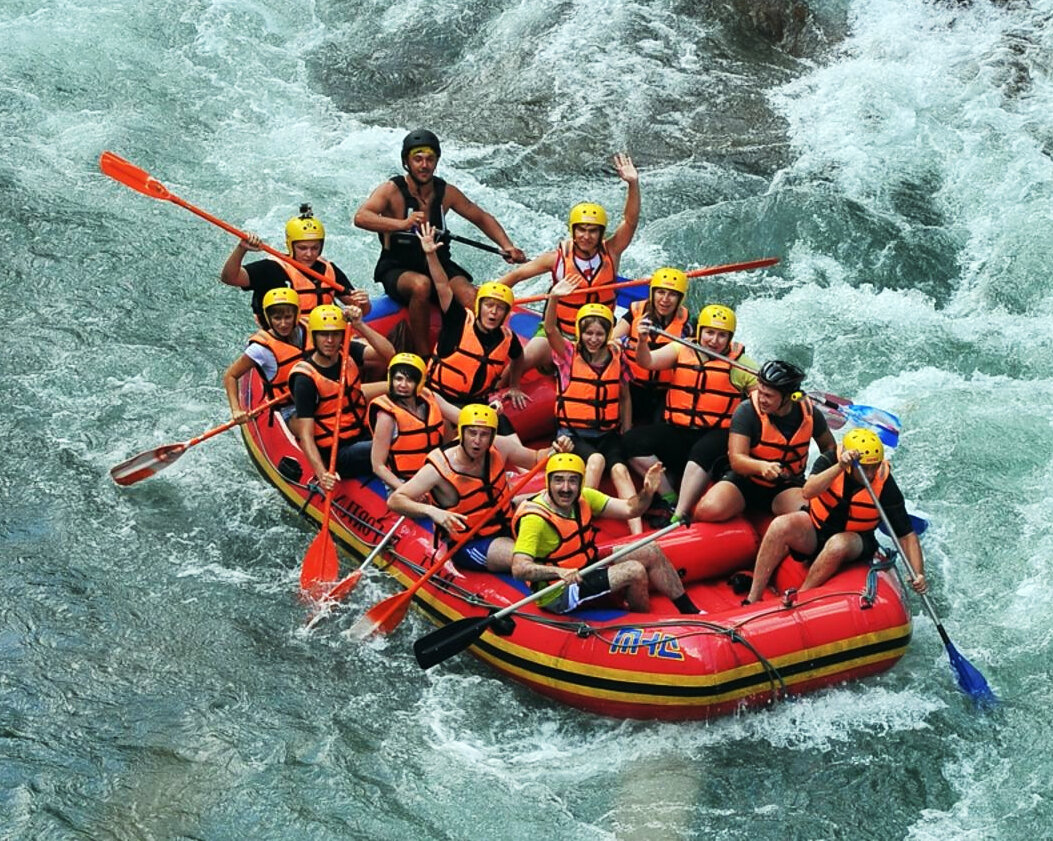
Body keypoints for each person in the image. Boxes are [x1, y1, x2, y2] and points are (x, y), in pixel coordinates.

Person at [353, 129, 526, 357]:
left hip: (439, 264)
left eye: (430, 159)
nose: (424, 165)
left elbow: (481, 217)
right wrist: (402, 224)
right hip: (398, 267)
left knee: (470, 296)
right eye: (418, 159)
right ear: (407, 162)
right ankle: (423, 358)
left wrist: (507, 246)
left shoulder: (446, 193)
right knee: (421, 285)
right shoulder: (391, 190)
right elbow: (361, 217)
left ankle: (472, 355)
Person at [741, 428, 928, 604]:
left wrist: (918, 573)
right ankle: (753, 598)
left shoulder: (885, 484)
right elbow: (808, 491)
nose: (870, 474)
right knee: (780, 525)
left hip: (856, 540)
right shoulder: (830, 460)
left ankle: (802, 598)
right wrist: (840, 466)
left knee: (838, 544)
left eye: (874, 466)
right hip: (818, 528)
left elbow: (906, 535)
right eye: (865, 467)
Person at [496, 153, 639, 371]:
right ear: (573, 230)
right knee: (526, 357)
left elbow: (630, 221)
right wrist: (492, 300)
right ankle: (500, 390)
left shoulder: (612, 251)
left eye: (593, 231)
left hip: (597, 335)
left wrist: (633, 184)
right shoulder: (556, 259)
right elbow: (515, 276)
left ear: (601, 233)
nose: (586, 236)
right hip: (558, 331)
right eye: (581, 229)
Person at [387, 404, 571, 573]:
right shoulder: (439, 468)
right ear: (462, 433)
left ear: (492, 436)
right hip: (471, 542)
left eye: (484, 435)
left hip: (506, 516)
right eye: (472, 433)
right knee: (528, 558)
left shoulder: (499, 446)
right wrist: (431, 511)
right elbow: (396, 499)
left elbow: (537, 459)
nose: (477, 441)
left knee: (556, 505)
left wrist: (556, 449)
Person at [511, 453, 701, 615]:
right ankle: (642, 623)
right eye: (559, 480)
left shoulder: (585, 497)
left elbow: (630, 509)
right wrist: (559, 572)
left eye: (573, 480)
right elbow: (519, 569)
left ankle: (692, 612)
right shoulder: (535, 519)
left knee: (649, 549)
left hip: (587, 566)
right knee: (634, 570)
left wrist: (647, 492)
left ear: (580, 482)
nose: (566, 488)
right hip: (559, 590)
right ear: (548, 482)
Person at [622, 303, 757, 522]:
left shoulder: (740, 364)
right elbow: (647, 362)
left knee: (701, 452)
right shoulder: (680, 349)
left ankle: (680, 513)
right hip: (680, 429)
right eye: (709, 333)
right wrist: (643, 340)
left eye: (722, 335)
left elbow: (763, 399)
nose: (714, 341)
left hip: (716, 434)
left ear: (730, 337)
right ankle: (669, 496)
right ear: (699, 331)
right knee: (631, 442)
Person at [543, 279, 642, 533]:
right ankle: (579, 523)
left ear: (608, 333)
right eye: (588, 333)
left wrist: (627, 430)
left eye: (599, 334)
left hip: (607, 432)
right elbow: (551, 328)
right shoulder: (567, 355)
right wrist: (554, 298)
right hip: (572, 434)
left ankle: (638, 533)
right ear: (579, 332)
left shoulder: (617, 357)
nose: (593, 339)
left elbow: (625, 397)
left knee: (620, 470)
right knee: (596, 461)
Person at [694, 360, 836, 523]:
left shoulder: (811, 414)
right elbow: (736, 460)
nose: (761, 399)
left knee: (814, 515)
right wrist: (761, 467)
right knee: (708, 509)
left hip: (785, 486)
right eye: (760, 392)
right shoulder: (746, 411)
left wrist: (816, 475)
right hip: (745, 482)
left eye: (768, 395)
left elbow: (830, 448)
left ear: (789, 397)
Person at [422, 219, 526, 435]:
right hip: (437, 396)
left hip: (474, 404)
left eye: (500, 308)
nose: (493, 312)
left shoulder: (508, 339)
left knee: (504, 429)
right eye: (489, 306)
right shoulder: (458, 319)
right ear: (479, 307)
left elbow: (518, 357)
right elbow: (442, 286)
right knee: (454, 428)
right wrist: (431, 254)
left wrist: (514, 385)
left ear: (506, 314)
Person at [288, 304, 395, 491]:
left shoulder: (347, 351)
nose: (330, 340)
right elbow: (306, 435)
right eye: (323, 335)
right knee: (398, 443)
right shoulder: (304, 379)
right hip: (338, 452)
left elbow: (389, 354)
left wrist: (360, 325)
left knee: (413, 430)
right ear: (314, 336)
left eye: (336, 334)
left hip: (362, 431)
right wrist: (322, 474)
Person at [220, 204, 370, 326]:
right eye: (302, 248)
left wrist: (363, 302)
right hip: (284, 337)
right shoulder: (271, 268)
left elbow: (362, 309)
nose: (309, 254)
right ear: (290, 245)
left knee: (374, 355)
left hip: (324, 337)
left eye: (315, 248)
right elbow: (229, 278)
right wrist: (242, 249)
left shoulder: (328, 269)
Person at [611, 266, 694, 425]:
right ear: (652, 293)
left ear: (680, 298)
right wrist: (625, 342)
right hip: (632, 387)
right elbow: (612, 338)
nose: (665, 299)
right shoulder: (635, 312)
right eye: (661, 292)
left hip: (665, 391)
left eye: (672, 294)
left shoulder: (687, 325)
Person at [367, 352, 454, 491]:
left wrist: (489, 413)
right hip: (404, 481)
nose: (403, 385)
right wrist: (407, 491)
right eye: (398, 379)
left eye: (410, 380)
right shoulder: (386, 417)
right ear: (391, 380)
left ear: (419, 382)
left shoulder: (430, 398)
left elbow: (462, 417)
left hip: (434, 475)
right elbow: (378, 466)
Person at [222, 287, 308, 423]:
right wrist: (236, 410)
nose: (283, 324)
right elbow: (230, 375)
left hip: (317, 396)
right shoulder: (260, 349)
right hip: (290, 408)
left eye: (288, 317)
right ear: (269, 318)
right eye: (277, 318)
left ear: (296, 315)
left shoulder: (308, 329)